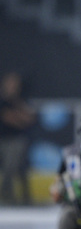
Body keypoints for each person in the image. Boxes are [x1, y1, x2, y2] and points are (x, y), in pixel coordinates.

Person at [0, 72, 35, 205]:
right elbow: (8, 118)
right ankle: (7, 194)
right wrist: (19, 118)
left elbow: (30, 118)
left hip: (18, 139)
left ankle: (25, 198)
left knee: (21, 168)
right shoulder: (2, 101)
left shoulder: (21, 100)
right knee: (10, 167)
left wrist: (18, 113)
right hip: (5, 139)